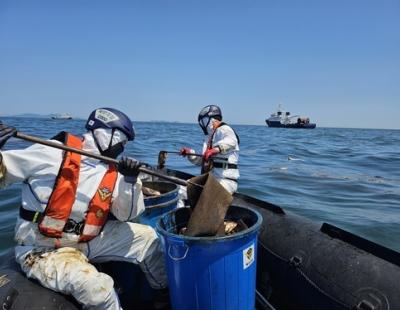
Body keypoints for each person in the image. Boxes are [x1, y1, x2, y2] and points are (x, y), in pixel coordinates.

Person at [0, 108, 167, 309]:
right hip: (42, 248)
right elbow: (5, 172)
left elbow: (127, 215)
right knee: (99, 290)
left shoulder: (113, 170)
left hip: (89, 240)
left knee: (148, 238)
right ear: (105, 134)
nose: (123, 146)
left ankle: (163, 295)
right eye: (122, 140)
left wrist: (130, 181)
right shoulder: (51, 152)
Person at [180, 105, 240, 194]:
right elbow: (202, 161)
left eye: (204, 121)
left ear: (212, 119)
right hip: (211, 179)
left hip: (225, 181)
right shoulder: (210, 138)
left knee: (186, 193)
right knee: (181, 190)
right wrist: (190, 154)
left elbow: (232, 141)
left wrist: (215, 149)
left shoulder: (224, 129)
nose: (203, 124)